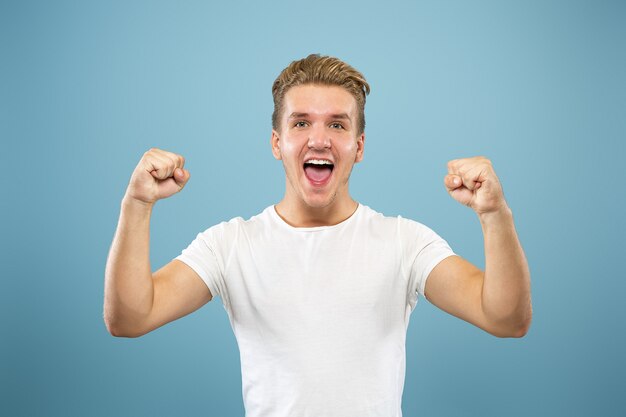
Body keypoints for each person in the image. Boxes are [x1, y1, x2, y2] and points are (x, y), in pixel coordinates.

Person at [104, 54, 532, 417]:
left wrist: (494, 214)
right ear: (277, 142)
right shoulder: (230, 245)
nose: (319, 139)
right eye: (302, 123)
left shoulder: (404, 242)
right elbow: (130, 318)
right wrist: (137, 205)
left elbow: (505, 318)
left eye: (338, 125)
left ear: (359, 147)